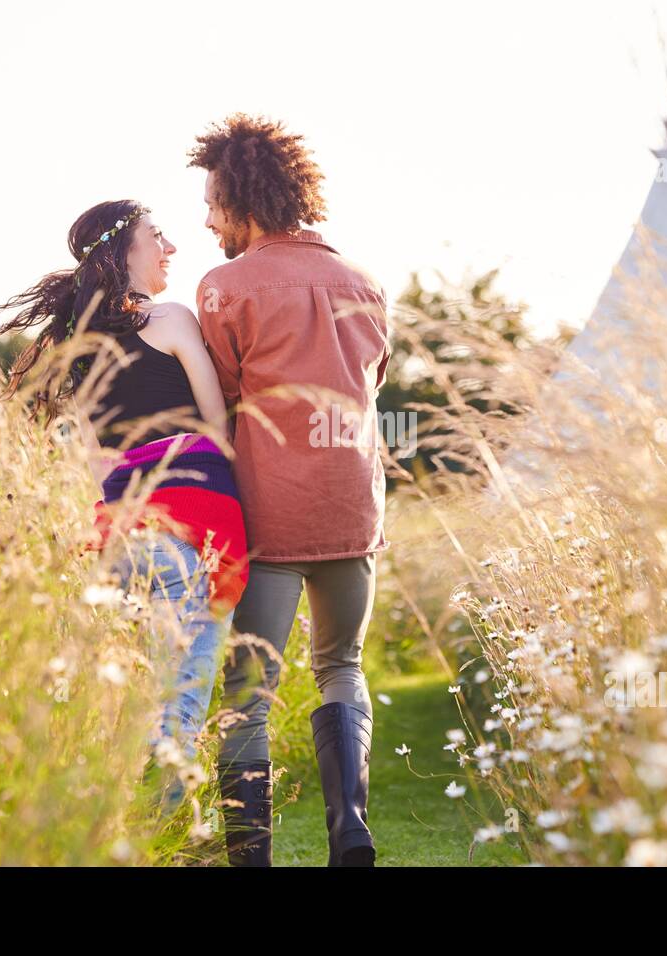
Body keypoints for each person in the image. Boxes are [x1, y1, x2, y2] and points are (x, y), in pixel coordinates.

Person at [0, 199, 248, 809]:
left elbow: (94, 465)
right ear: (124, 250)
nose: (171, 248)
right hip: (189, 539)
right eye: (158, 236)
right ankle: (156, 837)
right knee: (178, 709)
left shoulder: (76, 348)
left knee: (127, 710)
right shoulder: (174, 319)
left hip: (117, 543)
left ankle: (107, 831)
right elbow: (217, 429)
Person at [189, 115, 391, 866]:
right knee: (341, 665)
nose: (206, 221)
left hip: (268, 513)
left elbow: (223, 395)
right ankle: (351, 830)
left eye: (212, 204)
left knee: (248, 688)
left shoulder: (223, 288)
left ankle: (252, 859)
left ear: (242, 199)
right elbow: (370, 384)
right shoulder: (363, 280)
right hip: (352, 505)